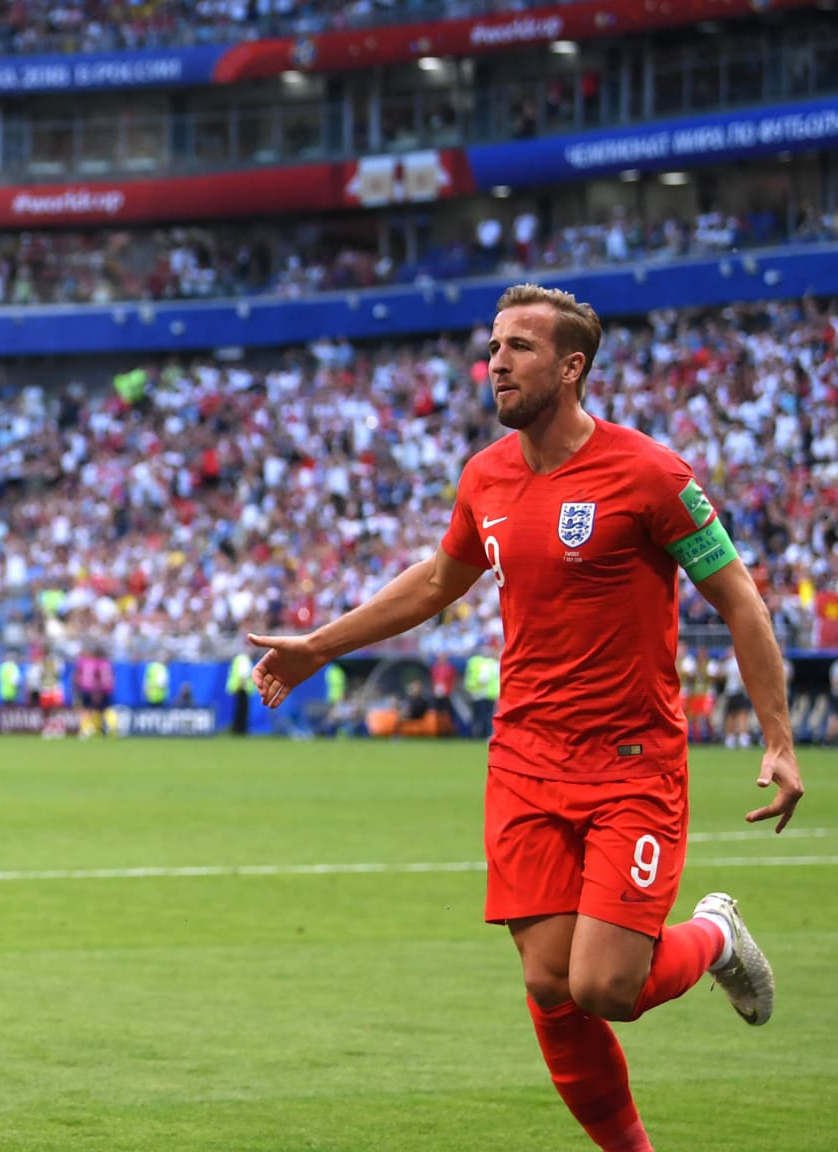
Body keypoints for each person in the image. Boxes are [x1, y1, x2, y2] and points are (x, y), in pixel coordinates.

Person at [248, 284, 804, 1152]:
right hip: (524, 764)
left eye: (520, 348)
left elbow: (741, 603)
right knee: (551, 985)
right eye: (495, 346)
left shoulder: (651, 475)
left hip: (630, 764)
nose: (497, 362)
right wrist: (322, 644)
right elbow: (437, 582)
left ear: (572, 368)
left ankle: (715, 934)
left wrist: (777, 738)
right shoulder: (488, 476)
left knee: (606, 987)